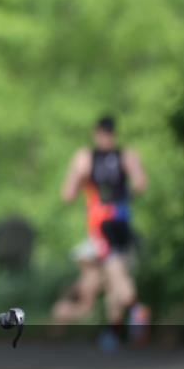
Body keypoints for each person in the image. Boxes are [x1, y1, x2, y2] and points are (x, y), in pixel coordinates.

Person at [54, 116, 148, 348]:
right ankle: (110, 332)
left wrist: (82, 184)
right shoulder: (125, 156)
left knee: (113, 276)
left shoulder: (86, 158)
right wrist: (122, 197)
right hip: (121, 224)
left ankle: (135, 308)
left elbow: (67, 194)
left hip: (102, 227)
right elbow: (140, 183)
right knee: (104, 278)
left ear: (97, 133)